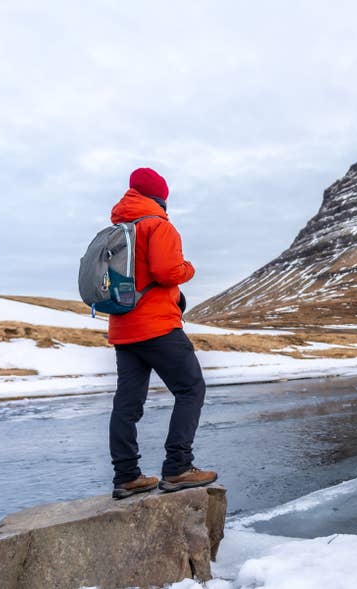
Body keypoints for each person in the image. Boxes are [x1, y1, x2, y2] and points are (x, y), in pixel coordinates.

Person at [108, 167, 216, 499]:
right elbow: (167, 271)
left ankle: (126, 476)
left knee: (127, 403)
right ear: (160, 196)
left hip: (124, 329)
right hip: (157, 325)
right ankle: (178, 468)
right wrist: (189, 268)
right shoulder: (158, 225)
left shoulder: (117, 231)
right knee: (191, 389)